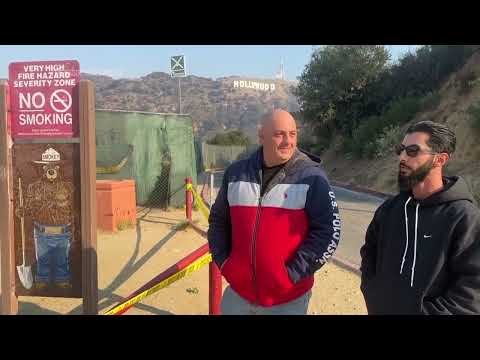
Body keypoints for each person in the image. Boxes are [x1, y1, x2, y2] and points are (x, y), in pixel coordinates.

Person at [207, 109, 341, 315]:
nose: (288, 141)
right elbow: (218, 221)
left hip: (287, 300)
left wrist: (291, 275)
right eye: (279, 134)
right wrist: (224, 263)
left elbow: (329, 232)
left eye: (293, 134)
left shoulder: (313, 178)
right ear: (261, 137)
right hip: (238, 296)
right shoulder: (235, 174)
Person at [360, 120, 480, 315]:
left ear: (440, 160)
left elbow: (472, 293)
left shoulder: (465, 218)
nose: (403, 157)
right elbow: (369, 255)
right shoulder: (389, 210)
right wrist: (375, 298)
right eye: (401, 149)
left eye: (413, 151)